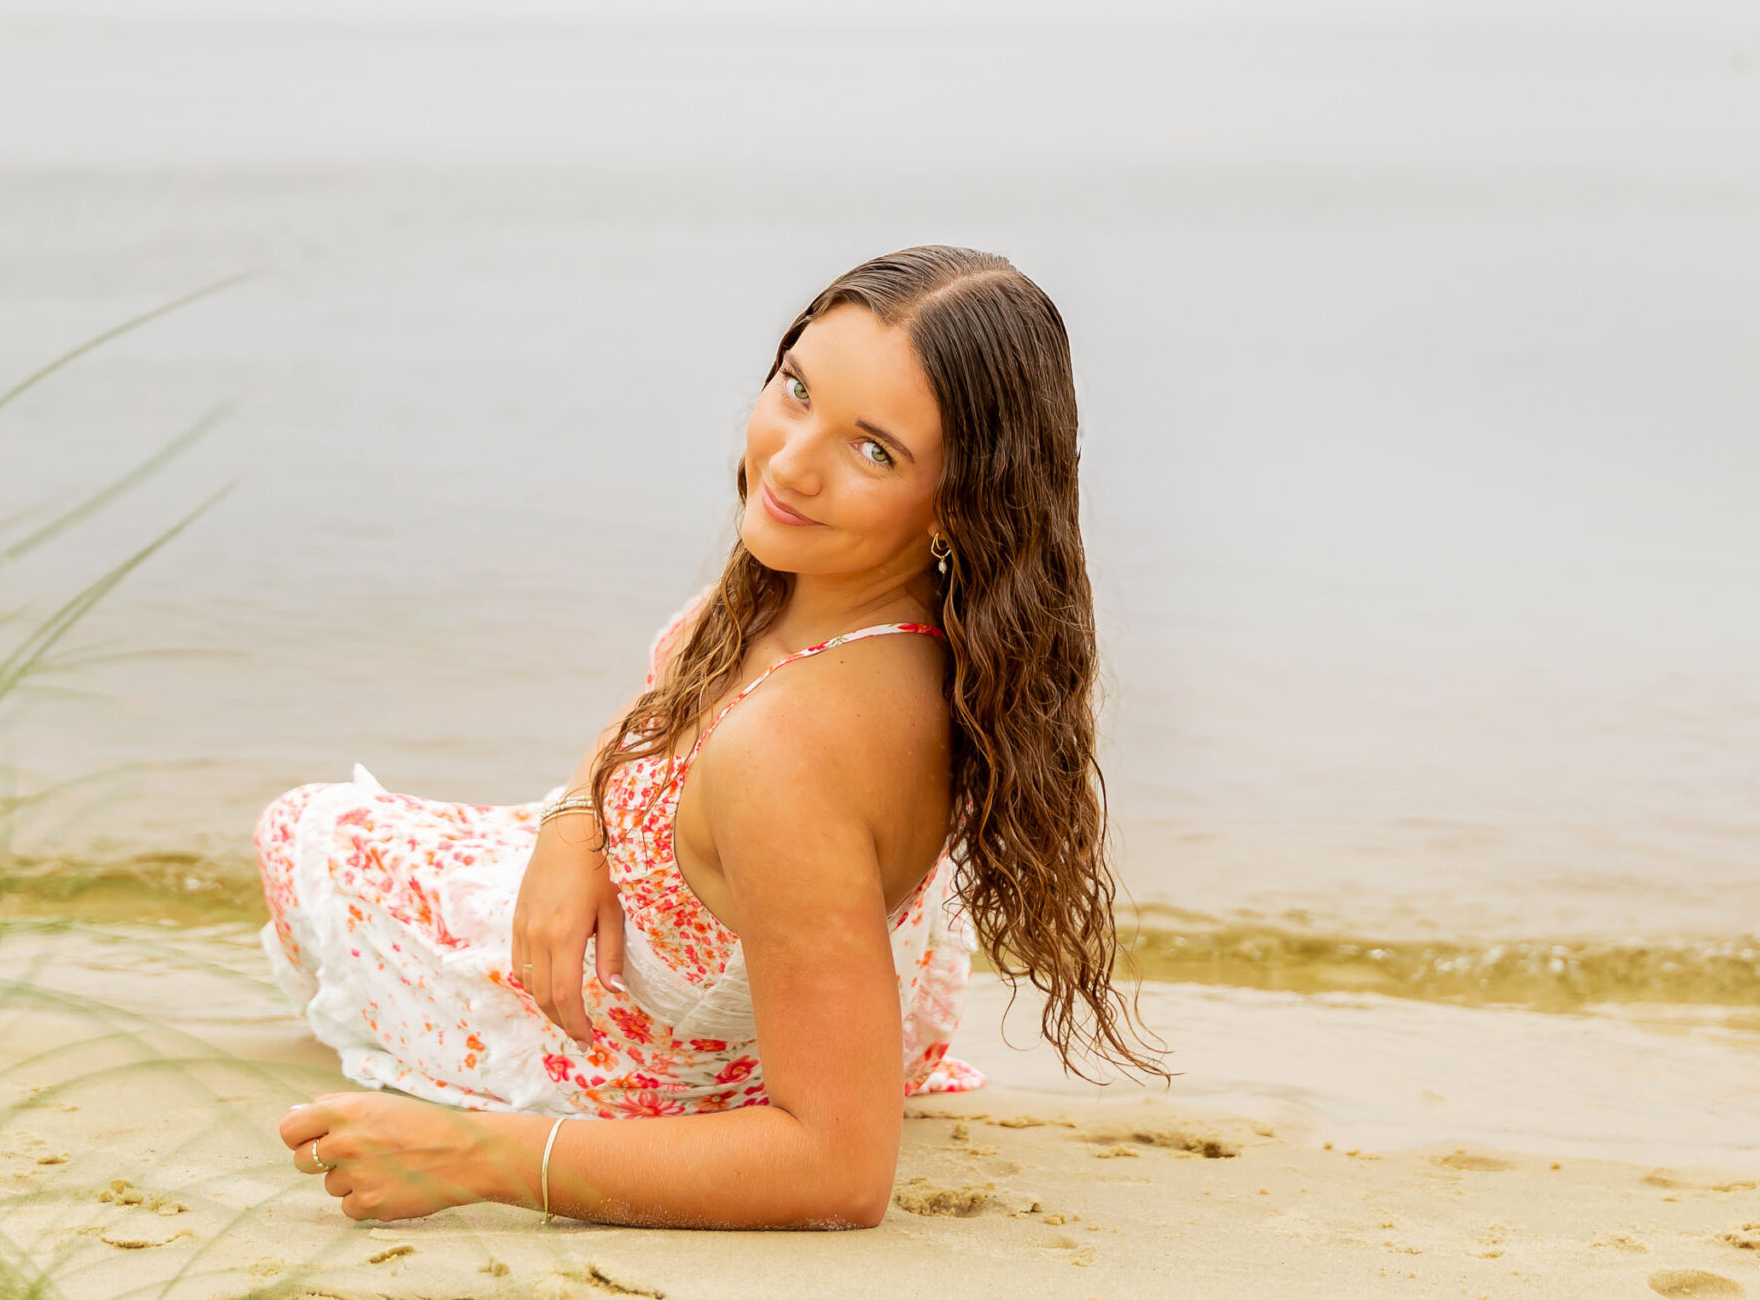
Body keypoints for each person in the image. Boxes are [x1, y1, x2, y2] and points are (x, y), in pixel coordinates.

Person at [259, 244, 1158, 1229]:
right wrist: (575, 825)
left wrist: (476, 1157)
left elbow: (839, 1171)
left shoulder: (793, 751)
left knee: (308, 830)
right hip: (811, 1006)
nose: (790, 461)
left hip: (673, 1076)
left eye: (873, 450)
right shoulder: (875, 611)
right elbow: (667, 703)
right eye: (796, 389)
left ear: (961, 501)